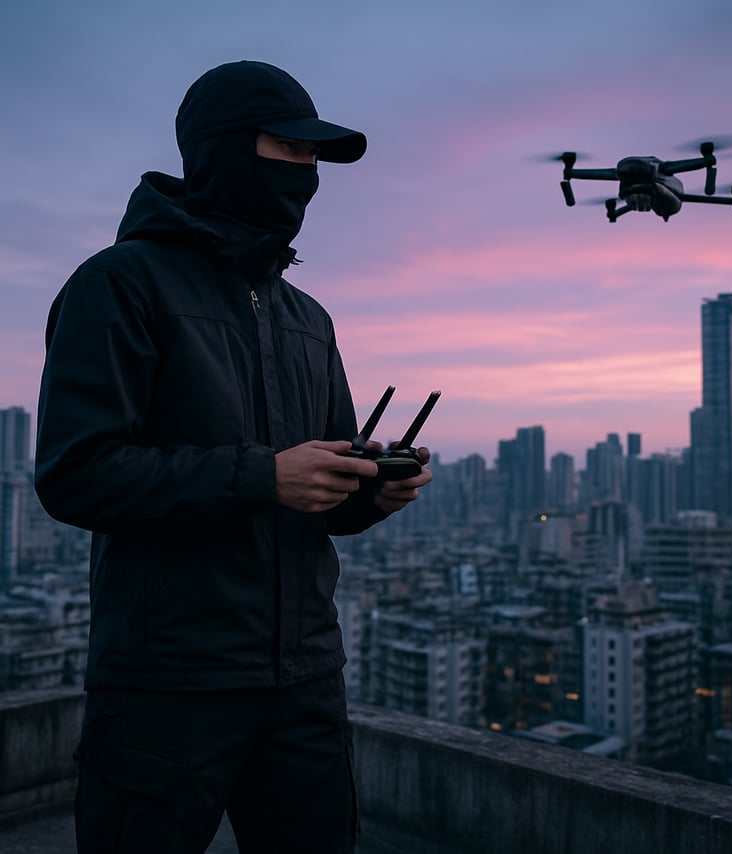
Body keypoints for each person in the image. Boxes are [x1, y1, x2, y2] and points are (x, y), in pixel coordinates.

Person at [34, 60, 433, 854]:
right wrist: (263, 475)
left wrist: (368, 492)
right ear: (220, 151)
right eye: (287, 149)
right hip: (166, 683)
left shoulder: (308, 318)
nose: (306, 175)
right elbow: (76, 473)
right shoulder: (119, 285)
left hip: (306, 681)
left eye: (314, 158)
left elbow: (320, 492)